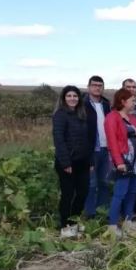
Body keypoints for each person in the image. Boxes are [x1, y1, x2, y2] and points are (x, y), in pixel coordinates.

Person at [105, 89, 136, 234]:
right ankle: (112, 225)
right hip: (123, 159)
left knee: (133, 191)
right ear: (123, 101)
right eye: (132, 101)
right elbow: (112, 142)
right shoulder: (112, 117)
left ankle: (128, 221)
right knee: (120, 192)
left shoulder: (133, 118)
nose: (135, 103)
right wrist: (118, 161)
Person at [52, 85, 92, 235]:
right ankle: (65, 226)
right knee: (68, 195)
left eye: (75, 96)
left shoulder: (81, 114)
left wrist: (91, 161)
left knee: (83, 193)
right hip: (67, 162)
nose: (72, 99)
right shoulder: (60, 115)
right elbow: (59, 140)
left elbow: (87, 140)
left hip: (82, 161)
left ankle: (73, 222)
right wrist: (66, 162)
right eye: (69, 96)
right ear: (63, 98)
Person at [83, 75, 111, 218]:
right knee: (91, 184)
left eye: (100, 85)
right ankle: (90, 214)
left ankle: (103, 212)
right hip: (91, 150)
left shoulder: (106, 104)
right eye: (94, 85)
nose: (97, 88)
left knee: (105, 182)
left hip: (107, 150)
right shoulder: (83, 105)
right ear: (88, 87)